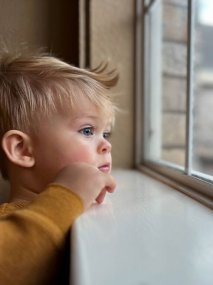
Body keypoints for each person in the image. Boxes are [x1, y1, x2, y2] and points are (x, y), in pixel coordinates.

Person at [0, 52, 118, 285]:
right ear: (23, 150)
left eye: (105, 133)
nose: (107, 145)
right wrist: (67, 195)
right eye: (87, 131)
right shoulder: (8, 221)